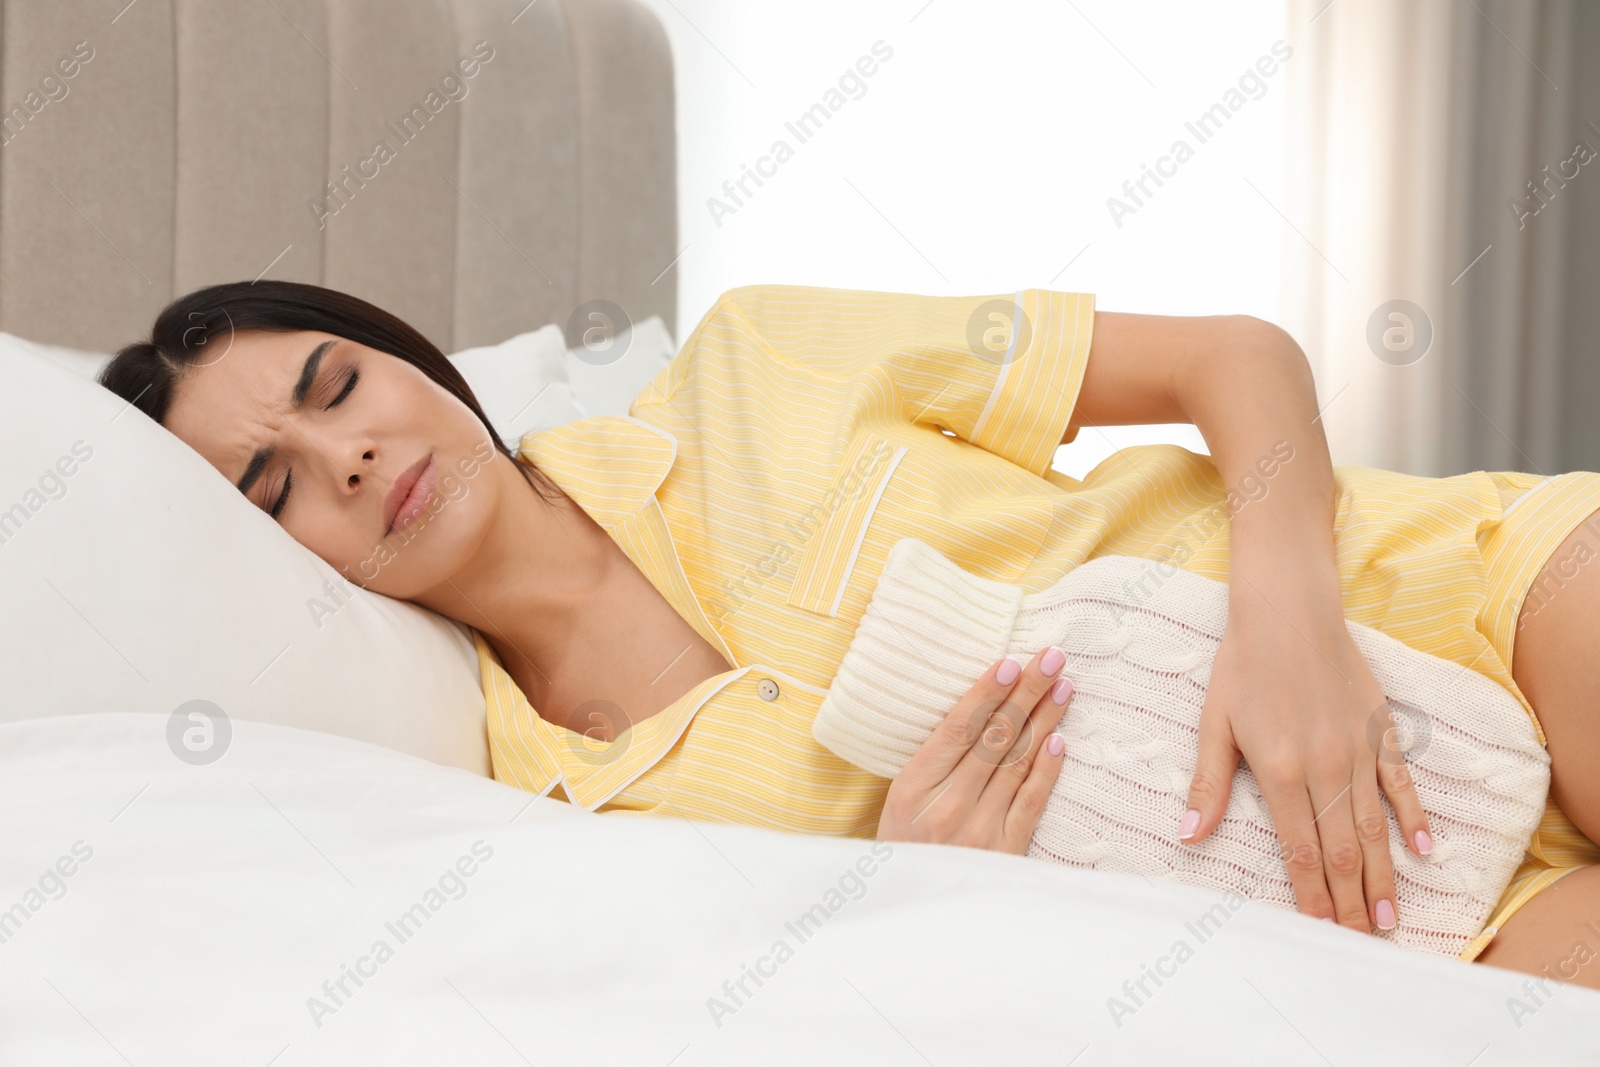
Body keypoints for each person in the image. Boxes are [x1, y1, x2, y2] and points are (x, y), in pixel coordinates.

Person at [98, 279, 1600, 987]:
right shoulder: (534, 813)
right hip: (1380, 900)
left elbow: (1234, 355)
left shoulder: (756, 358)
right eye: (270, 483)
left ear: (411, 360)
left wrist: (1289, 620)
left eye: (336, 385)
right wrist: (915, 899)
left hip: (1465, 593)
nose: (343, 456)